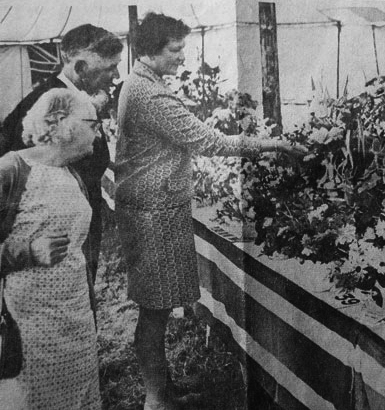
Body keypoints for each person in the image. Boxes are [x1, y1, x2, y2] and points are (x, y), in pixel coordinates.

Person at [114, 12, 307, 410]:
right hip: (154, 214)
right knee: (154, 311)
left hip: (153, 209)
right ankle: (155, 399)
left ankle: (161, 388)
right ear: (151, 51)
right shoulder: (149, 94)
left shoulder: (142, 83)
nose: (182, 57)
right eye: (175, 49)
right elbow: (209, 141)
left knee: (158, 308)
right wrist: (274, 146)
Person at [0, 88, 103, 409]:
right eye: (93, 124)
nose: (99, 133)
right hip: (29, 328)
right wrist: (31, 251)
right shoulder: (11, 171)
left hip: (75, 319)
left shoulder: (72, 172)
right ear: (60, 122)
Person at [0, 24, 123, 292]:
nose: (115, 75)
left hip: (77, 226)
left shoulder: (78, 100)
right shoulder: (46, 103)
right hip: (51, 244)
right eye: (110, 68)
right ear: (80, 68)